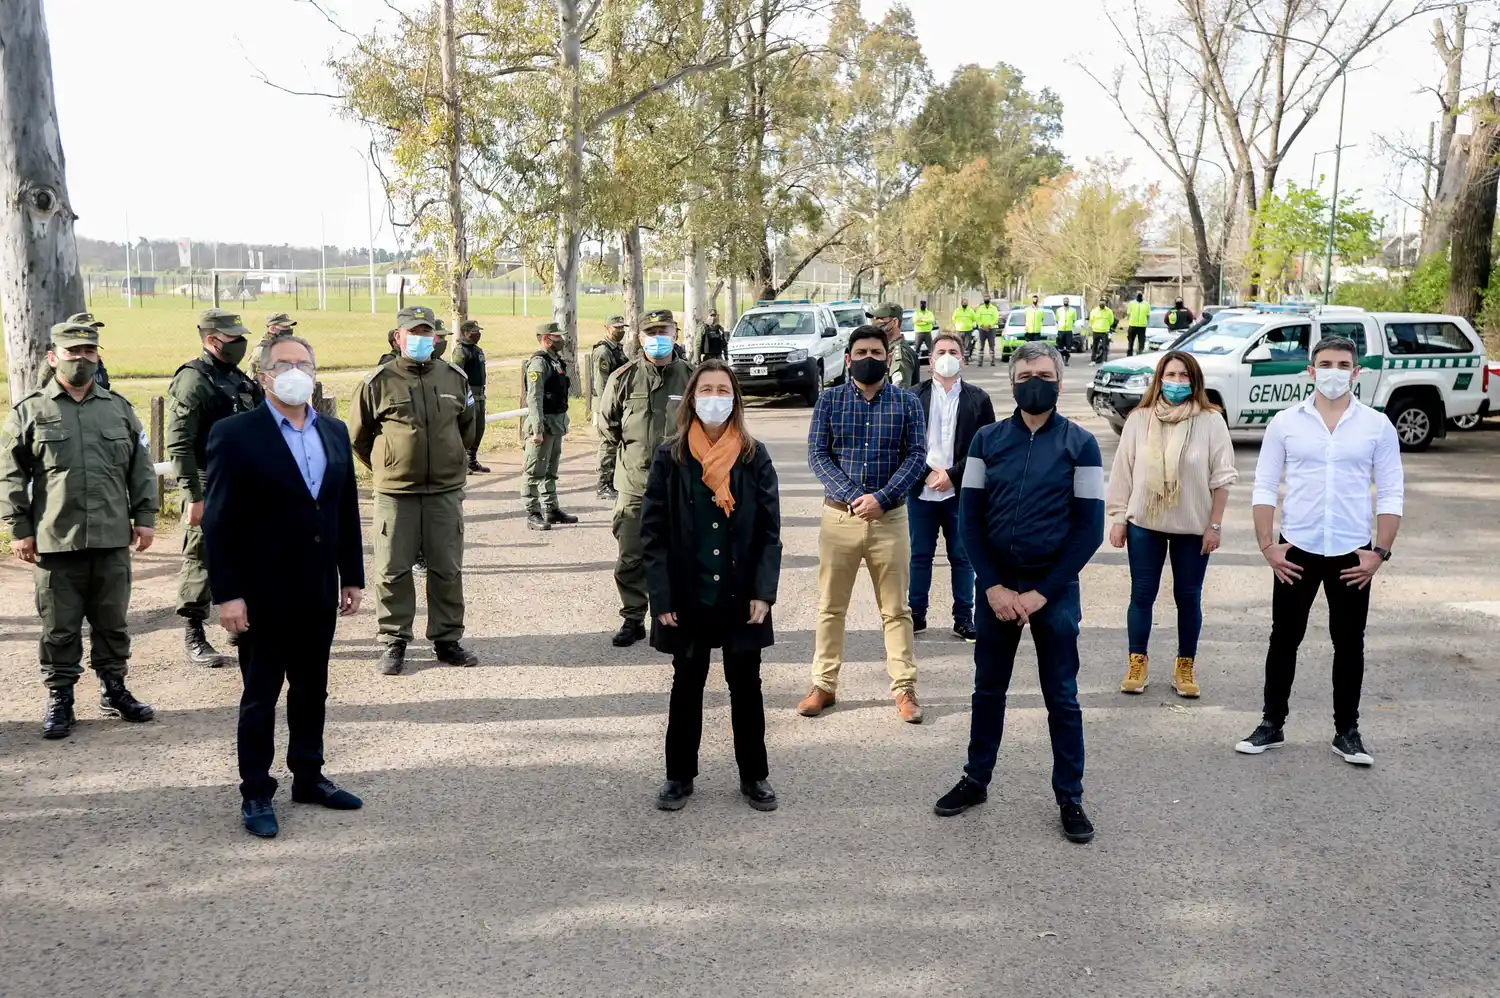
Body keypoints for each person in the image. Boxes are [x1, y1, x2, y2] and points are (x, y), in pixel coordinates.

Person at [934, 341, 1104, 844]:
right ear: (1012, 381)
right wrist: (991, 585)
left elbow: (1089, 529)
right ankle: (976, 779)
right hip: (997, 588)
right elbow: (970, 520)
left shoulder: (1082, 444)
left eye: (1045, 373)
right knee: (988, 690)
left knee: (1062, 697)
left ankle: (1070, 797)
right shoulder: (986, 441)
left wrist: (1042, 594)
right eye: (1026, 372)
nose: (1036, 381)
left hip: (1052, 589)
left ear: (1059, 380)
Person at [204, 335, 366, 839]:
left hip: (317, 588)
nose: (296, 371)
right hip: (262, 592)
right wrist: (227, 594)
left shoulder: (334, 432)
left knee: (312, 687)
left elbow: (344, 510)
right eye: (284, 364)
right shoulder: (235, 435)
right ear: (263, 375)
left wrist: (353, 576)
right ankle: (256, 790)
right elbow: (219, 521)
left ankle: (309, 776)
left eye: (304, 363)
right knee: (261, 693)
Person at [1235, 336, 1404, 766]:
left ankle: (1347, 731)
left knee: (1349, 644)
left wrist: (1378, 553)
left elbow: (1390, 493)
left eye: (1343, 363)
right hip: (1297, 549)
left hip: (1353, 552)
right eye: (1325, 363)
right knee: (1284, 639)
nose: (1334, 371)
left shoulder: (1376, 426)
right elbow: (1264, 486)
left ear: (1355, 371)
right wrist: (1268, 545)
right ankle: (1271, 724)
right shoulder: (1285, 422)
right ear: (1311, 371)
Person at [0, 321, 157, 739]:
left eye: (89, 352)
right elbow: (9, 475)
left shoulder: (119, 408)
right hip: (56, 539)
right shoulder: (30, 411)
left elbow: (140, 469)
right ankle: (61, 697)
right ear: (53, 358)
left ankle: (114, 688)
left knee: (112, 622)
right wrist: (19, 528)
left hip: (110, 538)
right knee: (59, 626)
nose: (81, 359)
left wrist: (145, 516)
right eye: (73, 352)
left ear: (98, 356)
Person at [641, 360, 782, 812]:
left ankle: (754, 775)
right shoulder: (671, 456)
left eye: (723, 389)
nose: (715, 397)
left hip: (741, 594)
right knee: (687, 684)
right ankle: (678, 776)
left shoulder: (753, 455)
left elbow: (768, 532)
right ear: (692, 399)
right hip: (689, 594)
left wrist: (764, 591)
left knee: (747, 685)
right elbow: (653, 533)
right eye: (707, 389)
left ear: (735, 398)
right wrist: (661, 595)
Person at [801, 324, 928, 724]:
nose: (868, 359)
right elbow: (818, 455)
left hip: (890, 519)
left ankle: (904, 689)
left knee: (896, 610)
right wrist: (857, 497)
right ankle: (823, 685)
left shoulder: (907, 403)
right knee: (830, 607)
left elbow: (916, 456)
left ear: (888, 359)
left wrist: (881, 499)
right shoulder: (830, 400)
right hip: (840, 518)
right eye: (861, 353)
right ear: (848, 357)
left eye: (876, 353)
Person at [349, 305, 480, 676]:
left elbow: (468, 427)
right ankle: (394, 640)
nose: (423, 339)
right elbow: (358, 438)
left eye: (428, 334)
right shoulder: (377, 381)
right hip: (396, 495)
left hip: (444, 492)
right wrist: (390, 465)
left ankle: (447, 639)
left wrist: (449, 457)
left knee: (447, 569)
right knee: (392, 569)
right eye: (414, 333)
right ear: (398, 337)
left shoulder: (455, 377)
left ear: (437, 338)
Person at [1105, 350, 1237, 697]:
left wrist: (1216, 525)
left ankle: (1185, 665)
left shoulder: (1211, 421)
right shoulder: (1139, 419)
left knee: (1188, 597)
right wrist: (1118, 518)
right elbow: (1123, 472)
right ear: (1159, 378)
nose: (1177, 382)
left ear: (1195, 382)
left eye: (1184, 376)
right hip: (1144, 522)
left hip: (1193, 526)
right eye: (1171, 374)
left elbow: (1222, 479)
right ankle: (1137, 661)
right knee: (1142, 595)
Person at [167, 309, 265, 669]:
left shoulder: (237, 378)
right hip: (210, 480)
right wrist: (193, 494)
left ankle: (241, 626)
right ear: (211, 340)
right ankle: (194, 632)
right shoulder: (194, 380)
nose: (240, 344)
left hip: (246, 481)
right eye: (233, 339)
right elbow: (179, 442)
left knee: (247, 555)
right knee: (202, 556)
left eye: (241, 337)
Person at [599, 308, 694, 647]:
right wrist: (610, 473)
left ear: (675, 334)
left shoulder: (693, 378)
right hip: (635, 485)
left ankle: (671, 617)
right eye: (650, 333)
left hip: (680, 486)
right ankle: (633, 618)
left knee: (679, 555)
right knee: (631, 555)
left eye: (663, 331)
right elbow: (608, 427)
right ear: (640, 338)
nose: (657, 338)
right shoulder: (623, 378)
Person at [908, 334, 995, 642]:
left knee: (962, 556)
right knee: (919, 555)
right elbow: (903, 446)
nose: (947, 356)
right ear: (931, 361)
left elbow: (985, 448)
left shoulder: (978, 399)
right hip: (920, 490)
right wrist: (928, 473)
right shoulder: (912, 396)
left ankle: (963, 618)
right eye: (941, 351)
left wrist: (953, 475)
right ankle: (915, 614)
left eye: (953, 351)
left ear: (962, 358)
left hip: (960, 492)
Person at [522, 322, 578, 531]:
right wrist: (537, 428)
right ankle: (532, 511)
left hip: (556, 424)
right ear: (546, 339)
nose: (561, 340)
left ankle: (551, 508)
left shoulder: (556, 361)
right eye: (556, 337)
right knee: (534, 469)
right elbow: (534, 397)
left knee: (550, 469)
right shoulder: (539, 363)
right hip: (543, 425)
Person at [591, 316, 630, 500]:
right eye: (617, 327)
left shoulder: (618, 350)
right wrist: (610, 404)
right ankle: (603, 484)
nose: (620, 330)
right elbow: (602, 383)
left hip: (618, 402)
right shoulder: (603, 352)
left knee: (616, 443)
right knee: (607, 444)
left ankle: (612, 480)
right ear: (606, 328)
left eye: (623, 327)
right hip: (607, 404)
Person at [451, 319, 490, 473]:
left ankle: (472, 460)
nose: (478, 334)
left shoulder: (477, 350)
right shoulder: (460, 351)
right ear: (466, 333)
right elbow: (458, 374)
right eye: (474, 332)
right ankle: (462, 462)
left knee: (479, 427)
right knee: (467, 428)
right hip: (468, 393)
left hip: (480, 394)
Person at [869, 302, 917, 389]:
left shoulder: (900, 353)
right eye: (874, 319)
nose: (875, 322)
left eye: (880, 318)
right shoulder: (887, 349)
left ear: (894, 322)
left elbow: (900, 393)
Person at [63, 313, 110, 388]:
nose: (93, 333)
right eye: (88, 330)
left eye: (95, 330)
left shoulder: (95, 357)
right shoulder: (60, 360)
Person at [248, 312, 298, 379]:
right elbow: (262, 379)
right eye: (285, 326)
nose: (289, 329)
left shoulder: (282, 345)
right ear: (272, 329)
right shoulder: (264, 350)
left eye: (289, 326)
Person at [974, 296, 1001, 367]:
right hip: (982, 329)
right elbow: (977, 318)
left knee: (992, 346)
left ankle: (992, 361)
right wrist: (982, 326)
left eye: (987, 299)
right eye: (985, 299)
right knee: (981, 346)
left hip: (991, 329)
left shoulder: (994, 308)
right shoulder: (980, 308)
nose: (986, 300)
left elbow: (996, 318)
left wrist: (989, 326)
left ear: (989, 300)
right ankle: (980, 362)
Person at [1089, 299, 1116, 365]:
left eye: (1103, 303)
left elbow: (1111, 321)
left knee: (1105, 347)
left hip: (1105, 332)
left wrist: (1106, 326)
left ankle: (1104, 361)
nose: (1102, 304)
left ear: (1105, 304)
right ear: (1099, 303)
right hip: (1096, 331)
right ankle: (1093, 360)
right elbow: (1091, 320)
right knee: (1095, 346)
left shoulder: (1109, 311)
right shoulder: (1094, 311)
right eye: (1101, 303)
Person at [1055, 298, 1078, 363]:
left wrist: (1070, 325)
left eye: (1067, 301)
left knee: (1068, 346)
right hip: (1061, 330)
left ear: (1068, 302)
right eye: (1065, 301)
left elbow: (1074, 320)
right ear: (1063, 302)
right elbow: (1057, 320)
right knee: (1060, 346)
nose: (1066, 302)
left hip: (1069, 330)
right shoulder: (1059, 310)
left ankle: (1066, 360)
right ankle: (1061, 359)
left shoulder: (1073, 310)